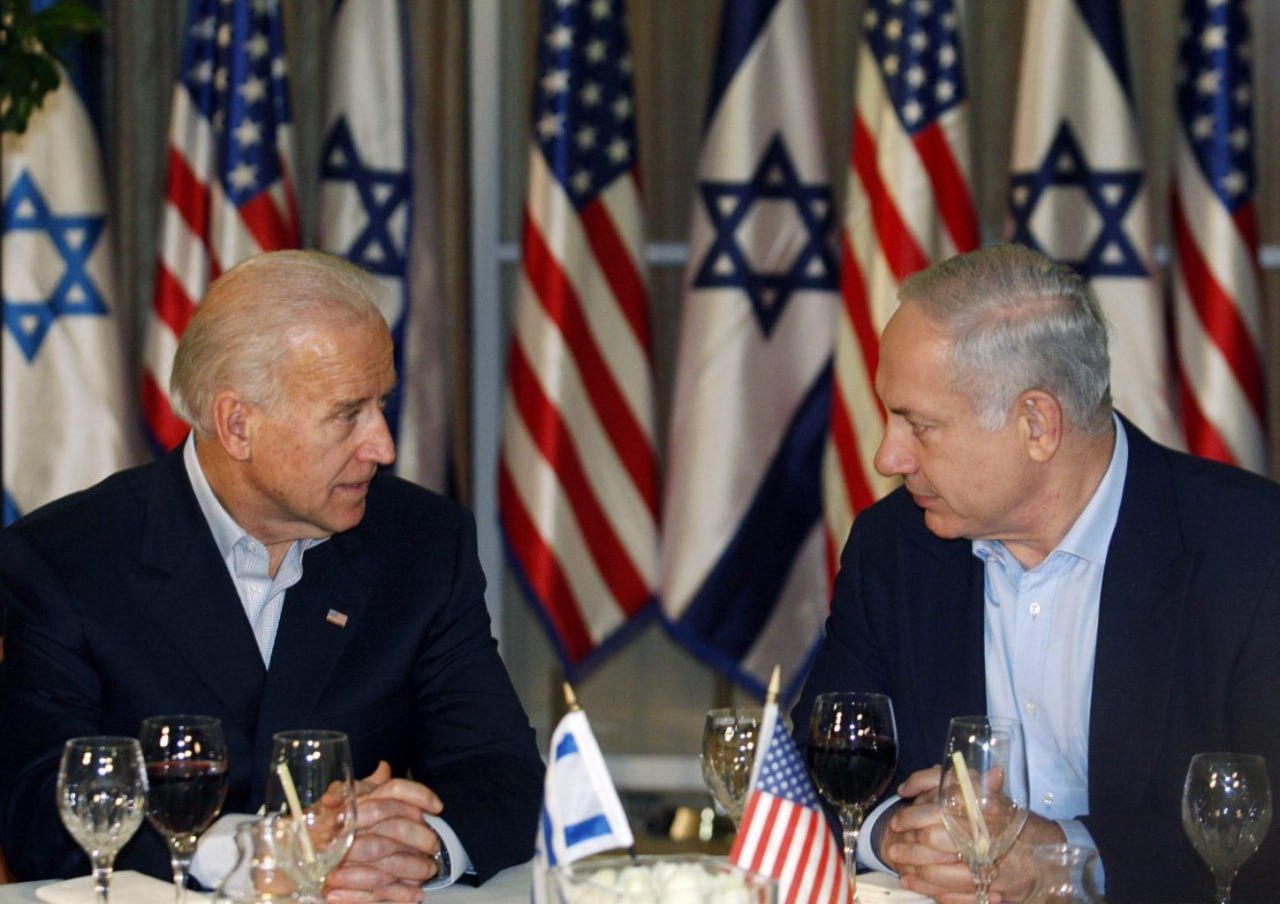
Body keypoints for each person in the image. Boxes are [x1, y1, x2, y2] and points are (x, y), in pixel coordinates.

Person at [0, 250, 545, 900]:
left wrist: (412, 847)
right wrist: (255, 853)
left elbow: (499, 768)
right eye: (347, 414)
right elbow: (39, 808)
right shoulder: (65, 559)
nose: (383, 446)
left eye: (381, 404)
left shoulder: (422, 542)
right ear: (238, 425)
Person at [793, 244, 1280, 903]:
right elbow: (815, 765)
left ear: (1036, 424)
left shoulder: (1252, 552)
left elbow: (1266, 830)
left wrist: (1061, 860)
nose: (887, 457)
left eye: (919, 425)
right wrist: (897, 835)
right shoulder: (894, 546)